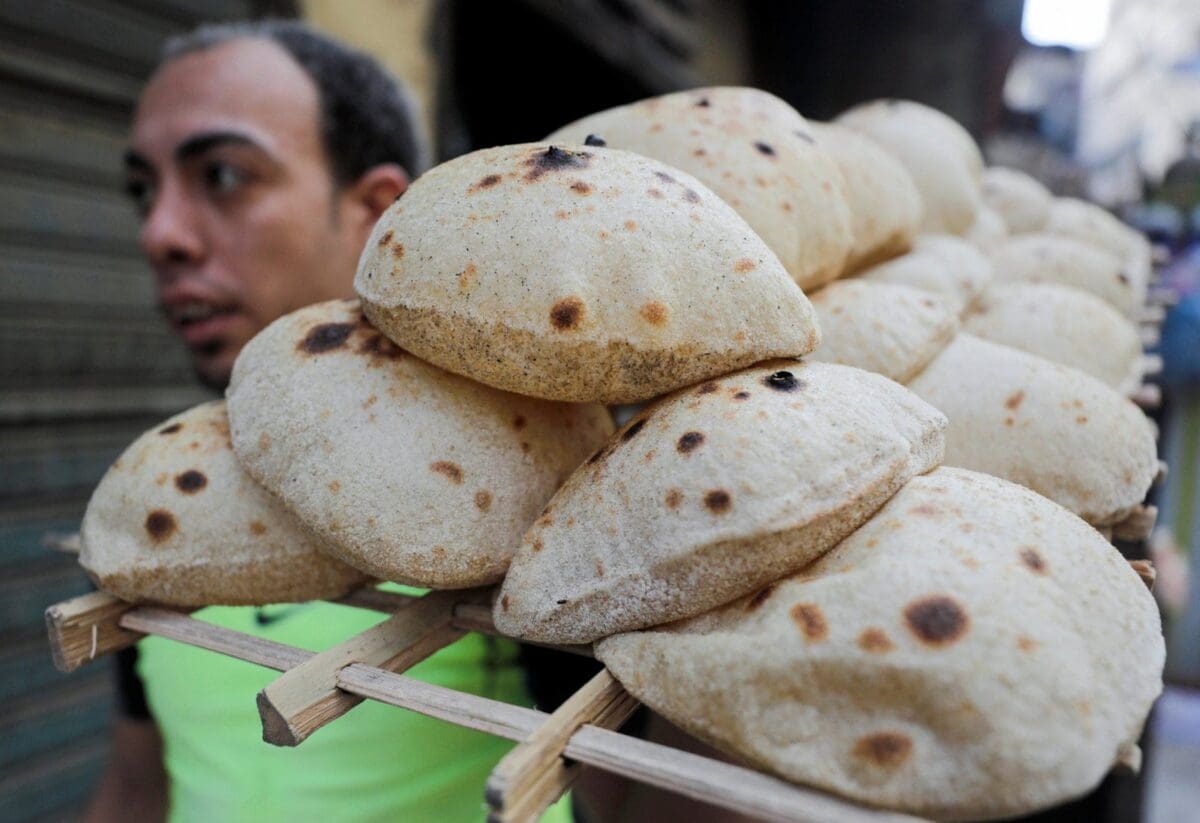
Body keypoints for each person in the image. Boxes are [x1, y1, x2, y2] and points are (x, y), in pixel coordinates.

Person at [84, 20, 569, 823]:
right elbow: (137, 787)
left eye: (225, 175)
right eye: (145, 188)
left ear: (376, 211)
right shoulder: (155, 500)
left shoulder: (518, 491)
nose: (158, 232)